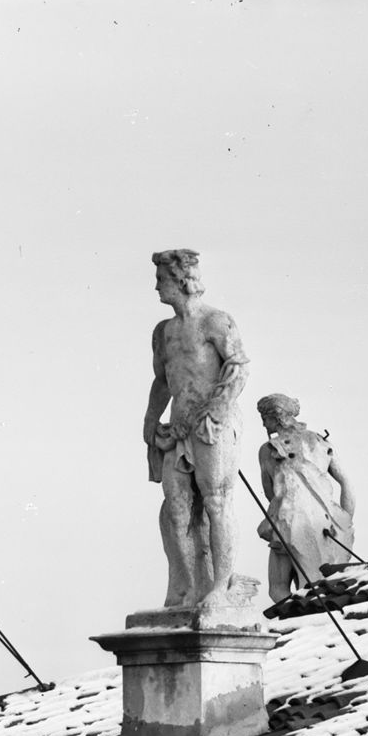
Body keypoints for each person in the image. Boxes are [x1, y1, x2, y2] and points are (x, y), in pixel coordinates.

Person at [143, 249, 249, 608]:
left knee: (217, 501)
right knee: (175, 507)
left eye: (162, 279)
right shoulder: (163, 332)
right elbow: (161, 380)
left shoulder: (216, 322)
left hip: (211, 424)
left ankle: (220, 587)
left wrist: (218, 410)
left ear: (181, 281)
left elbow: (237, 367)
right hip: (178, 426)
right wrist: (150, 419)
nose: (157, 287)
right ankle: (189, 589)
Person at [256, 394, 356, 603]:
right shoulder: (321, 442)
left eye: (265, 417)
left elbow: (269, 493)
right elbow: (346, 483)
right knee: (314, 586)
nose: (263, 422)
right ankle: (302, 627)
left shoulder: (268, 450)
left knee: (278, 589)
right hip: (325, 525)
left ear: (277, 417)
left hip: (287, 521)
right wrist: (345, 520)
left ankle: (294, 627)